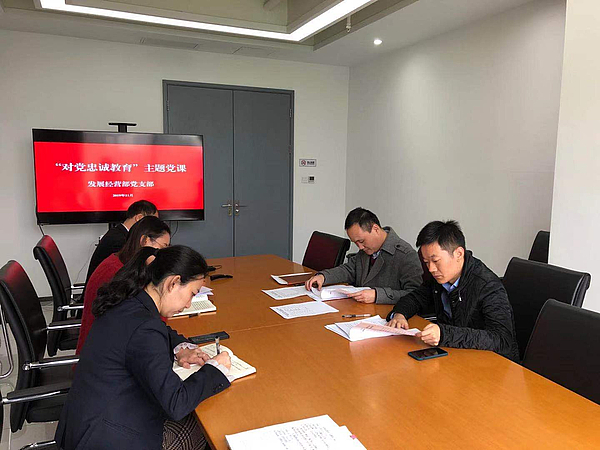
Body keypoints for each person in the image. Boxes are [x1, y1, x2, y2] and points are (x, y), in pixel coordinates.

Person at [56, 246, 232, 449]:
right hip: (109, 438)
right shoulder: (145, 329)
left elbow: (158, 331)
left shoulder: (128, 300)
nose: (188, 304)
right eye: (192, 294)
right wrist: (215, 370)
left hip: (86, 423)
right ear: (173, 283)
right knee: (209, 429)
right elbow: (176, 403)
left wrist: (180, 347)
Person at [387, 220, 519, 361]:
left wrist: (445, 334)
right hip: (455, 354)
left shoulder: (488, 286)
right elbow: (416, 297)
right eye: (426, 262)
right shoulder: (441, 278)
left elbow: (501, 339)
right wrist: (400, 314)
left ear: (458, 254)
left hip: (492, 363)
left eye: (435, 261)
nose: (431, 269)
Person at [75, 216, 171, 354]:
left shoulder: (121, 262)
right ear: (145, 240)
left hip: (109, 345)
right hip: (102, 353)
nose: (163, 254)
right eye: (163, 246)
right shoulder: (118, 275)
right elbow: (146, 319)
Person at [305, 207, 423, 304]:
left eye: (361, 241)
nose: (360, 247)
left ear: (375, 229)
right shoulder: (367, 249)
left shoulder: (405, 255)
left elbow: (416, 294)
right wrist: (323, 277)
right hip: (360, 309)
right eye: (355, 243)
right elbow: (349, 270)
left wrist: (377, 295)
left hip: (389, 315)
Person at [85, 199, 158, 282]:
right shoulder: (118, 240)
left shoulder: (119, 233)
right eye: (152, 222)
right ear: (139, 218)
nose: (154, 227)